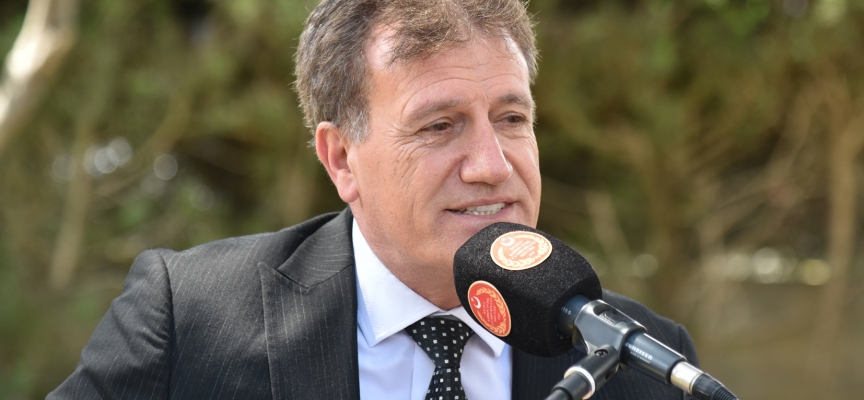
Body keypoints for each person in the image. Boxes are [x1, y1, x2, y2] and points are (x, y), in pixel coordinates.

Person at [49, 1, 699, 399]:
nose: (492, 166)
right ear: (341, 159)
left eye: (511, 119)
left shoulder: (646, 363)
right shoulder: (190, 320)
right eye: (439, 126)